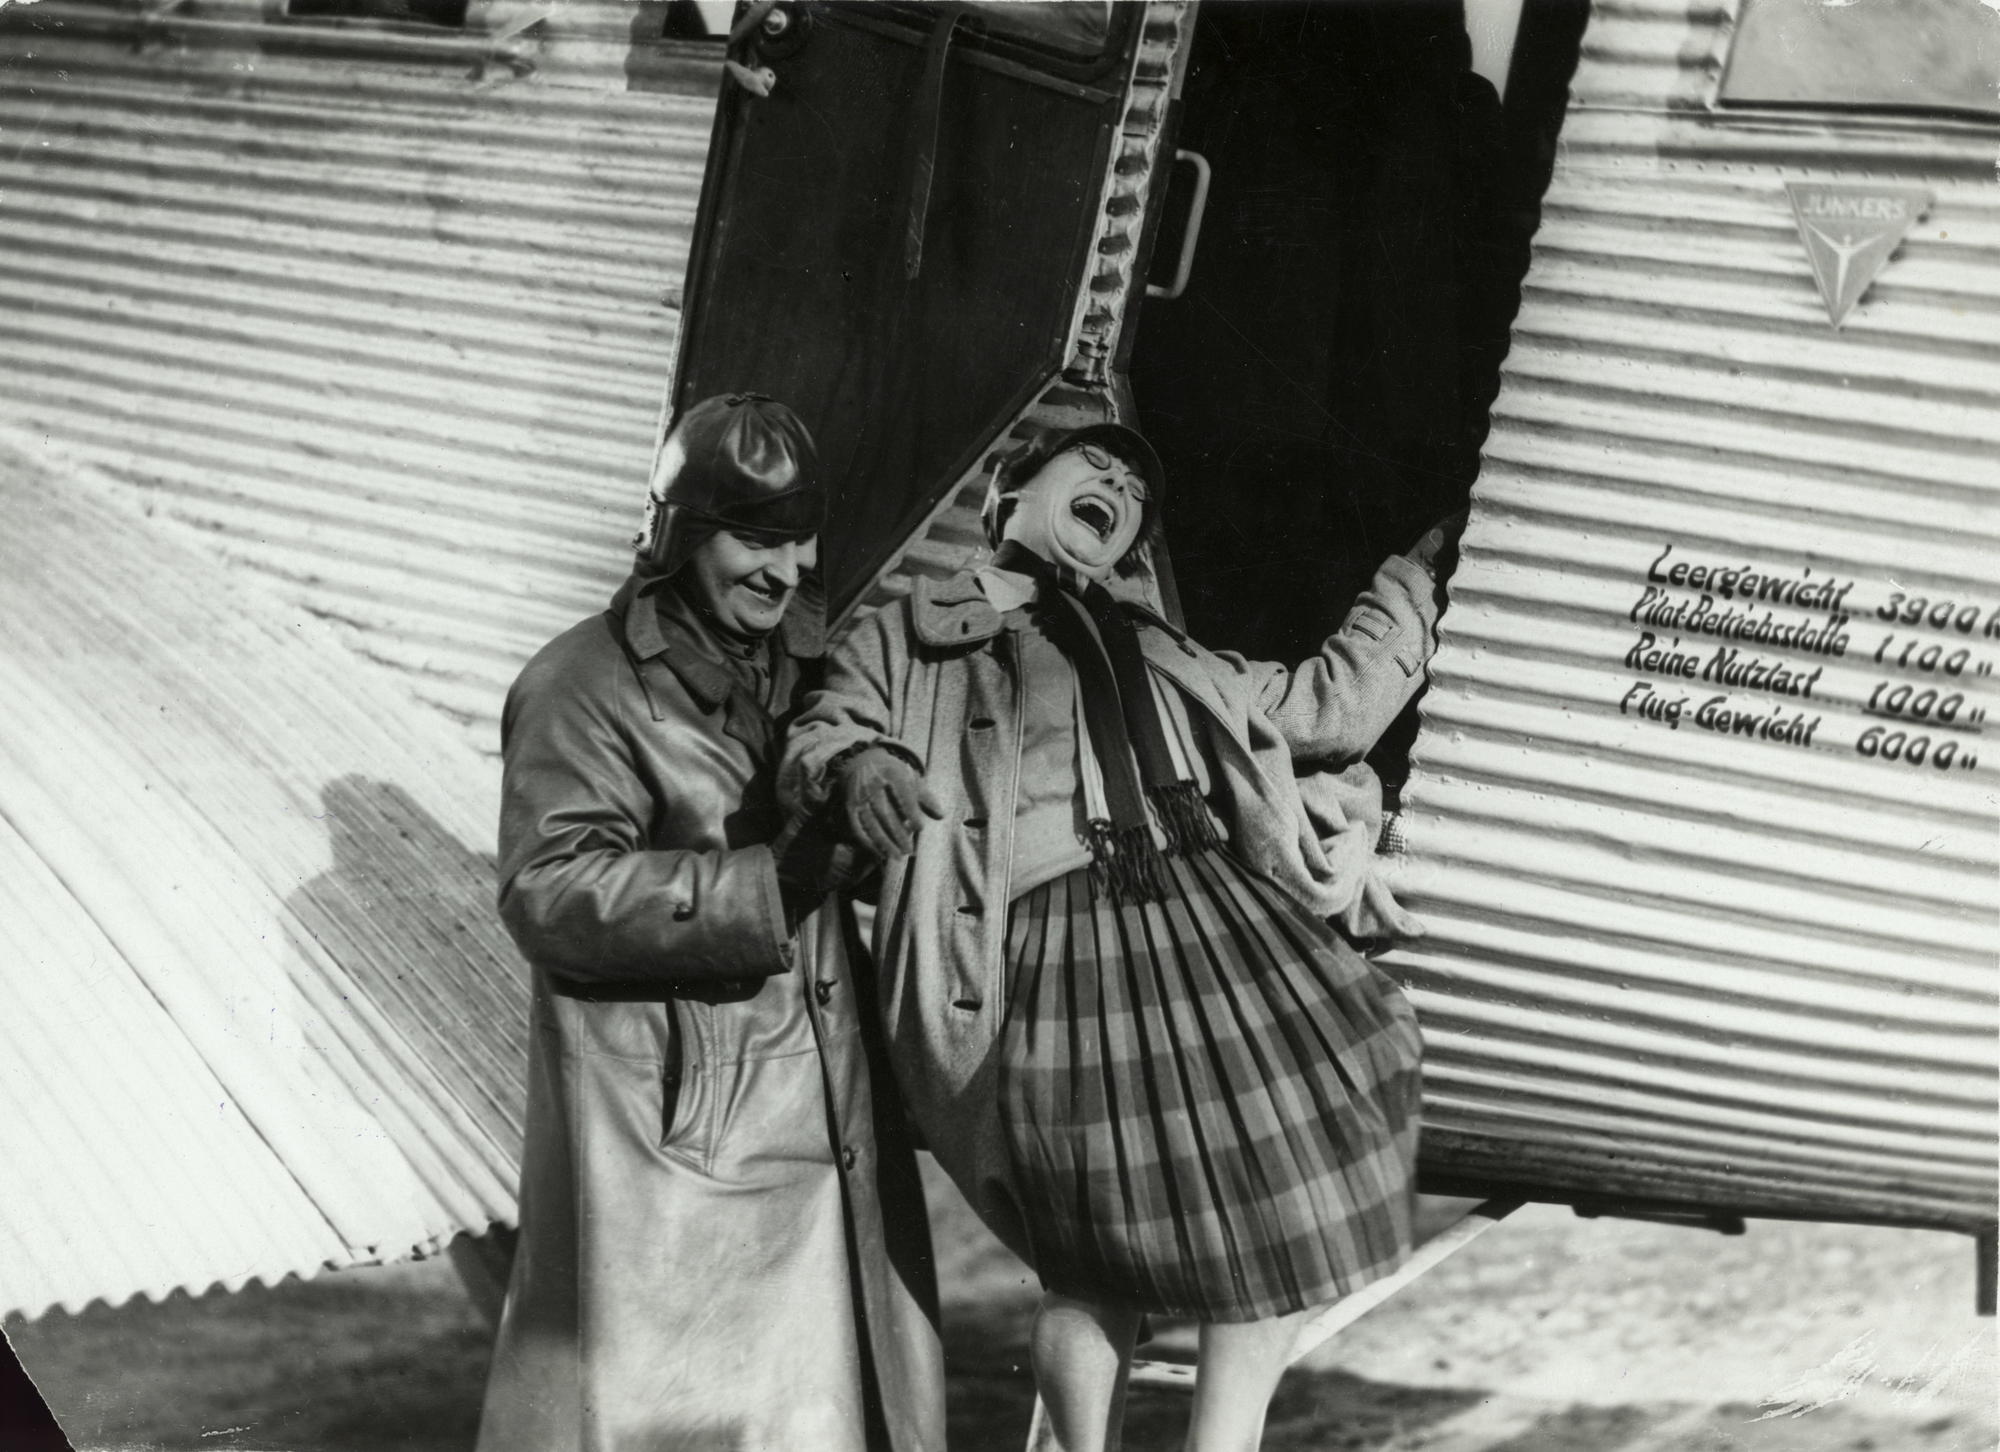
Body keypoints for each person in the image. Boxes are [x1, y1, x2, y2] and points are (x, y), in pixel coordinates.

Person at [781, 423, 1453, 1451]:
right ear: (1005, 496)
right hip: (1053, 947)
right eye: (1090, 466)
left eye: (1133, 488)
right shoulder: (911, 633)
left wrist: (1408, 582)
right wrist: (856, 770)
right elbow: (827, 726)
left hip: (1210, 931)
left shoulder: (1162, 648)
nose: (1116, 483)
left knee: (1283, 1215)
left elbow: (1329, 706)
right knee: (1094, 1257)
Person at [475, 393, 945, 1452]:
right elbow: (546, 892)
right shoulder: (579, 687)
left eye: (799, 539)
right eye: (754, 539)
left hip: (822, 1111)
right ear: (680, 538)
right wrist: (767, 885)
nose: (783, 571)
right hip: (681, 1136)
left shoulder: (803, 672)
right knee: (686, 1422)